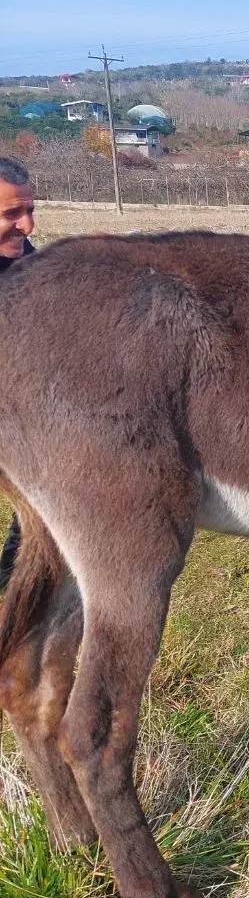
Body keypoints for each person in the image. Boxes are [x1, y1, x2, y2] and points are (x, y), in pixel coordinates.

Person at [0, 155, 35, 590]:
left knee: (33, 515)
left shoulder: (23, 260)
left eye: (31, 210)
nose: (27, 226)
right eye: (11, 214)